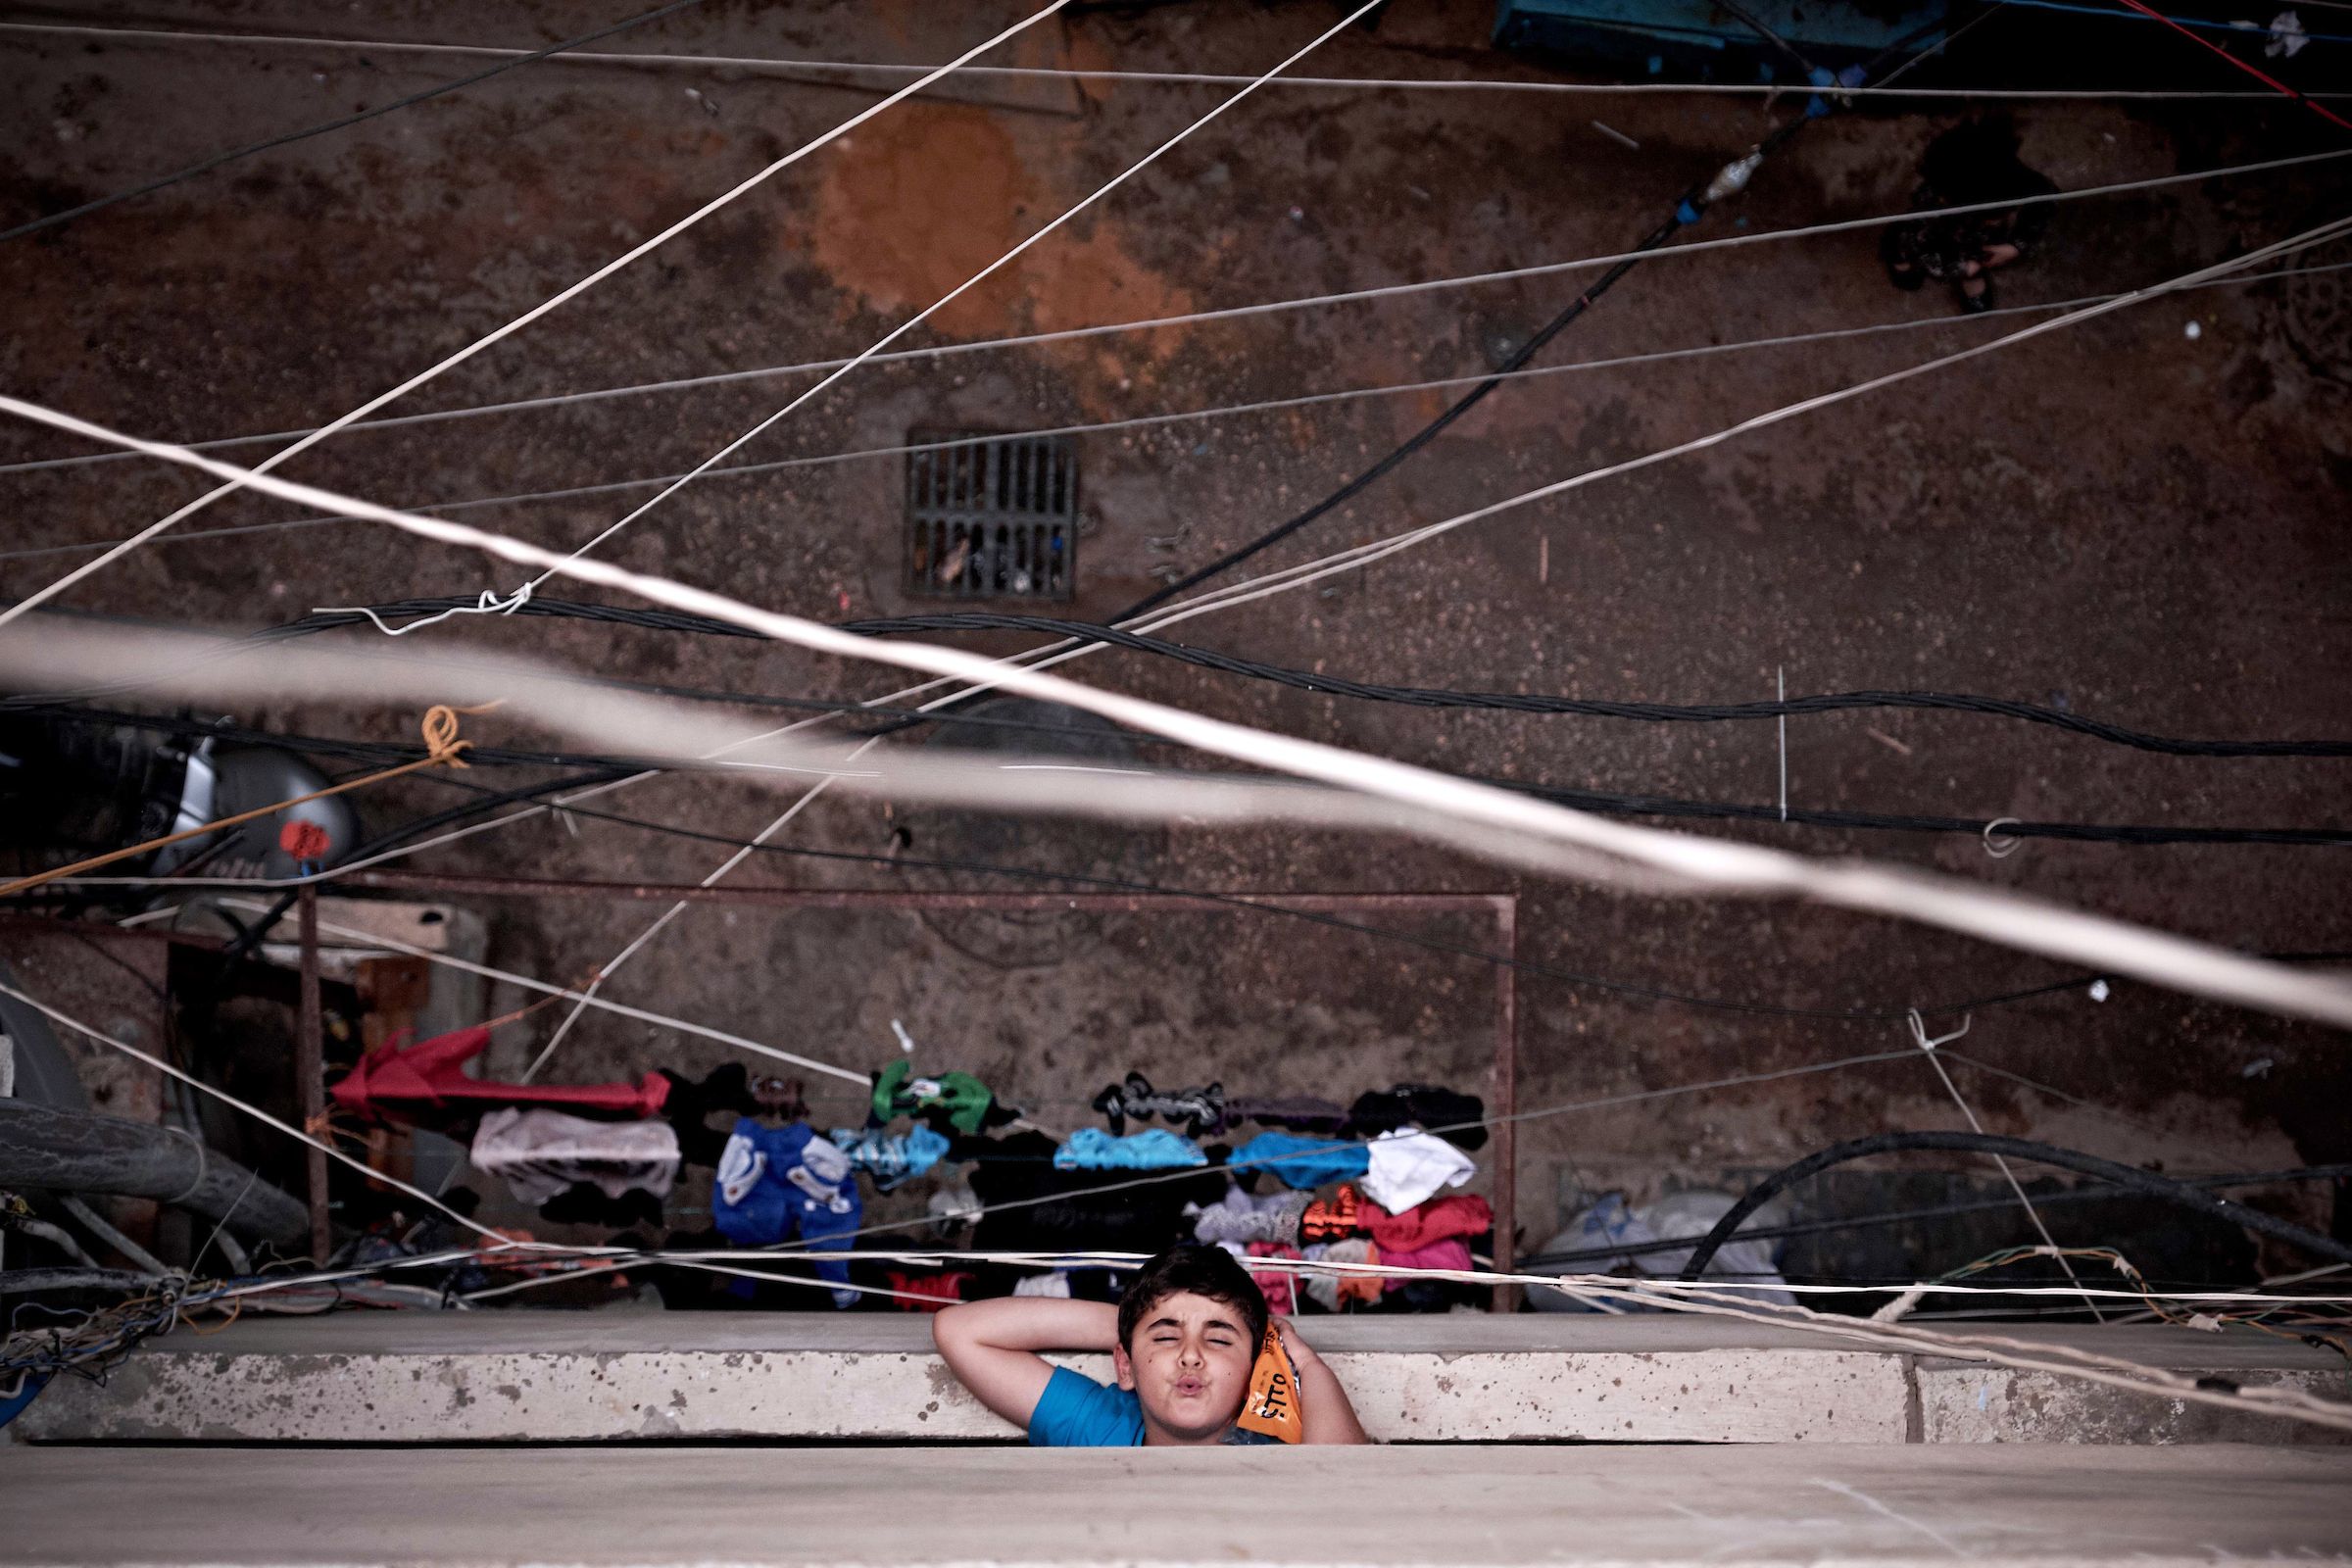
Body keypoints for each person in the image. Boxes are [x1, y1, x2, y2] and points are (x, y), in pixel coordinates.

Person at [933, 1244, 1372, 1446]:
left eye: (1218, 1339)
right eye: (1167, 1337)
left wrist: (1307, 1366)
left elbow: (1341, 1484)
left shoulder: (1278, 1450)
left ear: (1255, 1371)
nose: (1190, 1355)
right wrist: (1133, 1326)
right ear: (1124, 1366)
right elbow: (961, 1331)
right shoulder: (1104, 1429)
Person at [1880, 115, 2056, 314]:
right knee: (1903, 247)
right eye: (1995, 216)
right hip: (1934, 238)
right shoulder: (1930, 212)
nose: (2003, 217)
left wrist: (2016, 245)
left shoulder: (2017, 180)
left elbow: (2044, 202)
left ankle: (1971, 273)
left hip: (1971, 235)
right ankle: (1902, 264)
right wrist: (1962, 268)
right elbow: (1925, 251)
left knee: (1978, 249)